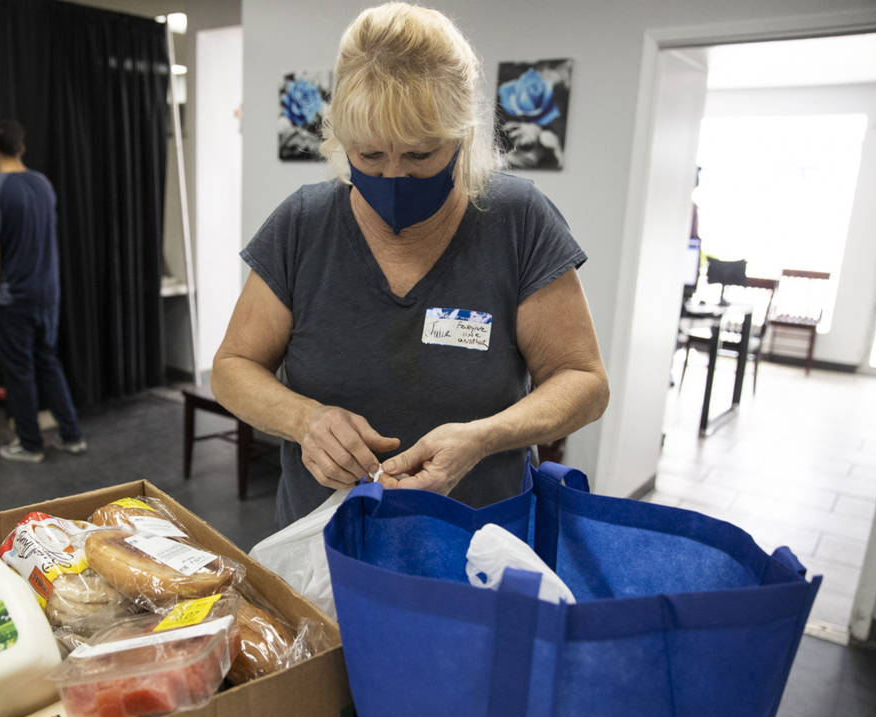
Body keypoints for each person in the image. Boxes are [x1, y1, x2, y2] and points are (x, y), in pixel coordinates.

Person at [211, 3, 608, 528]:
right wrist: (306, 421)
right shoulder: (302, 226)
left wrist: (483, 438)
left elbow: (583, 381)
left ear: (462, 137)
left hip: (476, 544)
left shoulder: (517, 221)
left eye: (420, 156)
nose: (394, 177)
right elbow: (232, 368)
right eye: (370, 157)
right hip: (328, 542)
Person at [0, 119, 86, 463]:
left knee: (18, 371)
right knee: (48, 361)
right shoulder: (43, 184)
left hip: (13, 295)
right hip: (47, 293)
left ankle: (30, 444)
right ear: (21, 148)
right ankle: (72, 435)